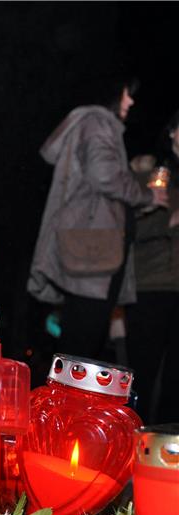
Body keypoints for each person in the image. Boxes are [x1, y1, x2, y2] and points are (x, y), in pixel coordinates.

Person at [28, 77, 168, 360]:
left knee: (84, 339)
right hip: (94, 252)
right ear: (112, 92)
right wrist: (147, 196)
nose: (130, 101)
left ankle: (68, 399)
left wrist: (137, 204)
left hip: (95, 250)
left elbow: (104, 191)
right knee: (82, 340)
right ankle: (65, 401)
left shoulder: (99, 125)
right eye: (127, 93)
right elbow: (104, 176)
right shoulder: (98, 121)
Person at [126, 109, 179, 424]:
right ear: (172, 132)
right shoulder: (150, 173)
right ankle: (130, 440)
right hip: (152, 284)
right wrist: (170, 222)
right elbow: (130, 228)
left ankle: (170, 450)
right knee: (142, 372)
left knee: (177, 376)